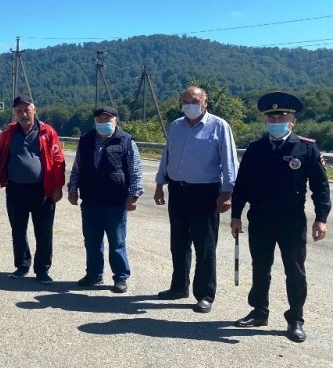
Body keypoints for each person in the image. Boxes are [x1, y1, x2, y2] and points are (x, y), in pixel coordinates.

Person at [230, 91, 330, 343]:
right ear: (266, 121)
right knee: (260, 267)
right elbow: (242, 184)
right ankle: (259, 311)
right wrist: (236, 215)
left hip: (291, 220)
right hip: (261, 218)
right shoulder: (255, 148)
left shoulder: (306, 147)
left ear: (292, 120)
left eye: (282, 116)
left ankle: (295, 319)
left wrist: (321, 218)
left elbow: (320, 186)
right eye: (272, 117)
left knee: (295, 271)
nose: (276, 121)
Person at [154, 86, 238, 313]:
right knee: (178, 243)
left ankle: (205, 294)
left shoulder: (219, 126)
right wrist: (160, 184)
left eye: (194, 100)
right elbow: (166, 155)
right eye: (184, 101)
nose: (189, 105)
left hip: (206, 193)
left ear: (205, 102)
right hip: (178, 191)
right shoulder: (175, 126)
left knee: (205, 246)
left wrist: (227, 193)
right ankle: (179, 287)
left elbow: (229, 161)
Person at [67, 106, 143, 293]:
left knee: (116, 242)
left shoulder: (125, 141)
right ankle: (94, 274)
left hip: (115, 202)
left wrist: (133, 195)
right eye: (99, 119)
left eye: (107, 119)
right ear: (94, 121)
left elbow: (135, 170)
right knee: (91, 241)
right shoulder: (86, 140)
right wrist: (72, 189)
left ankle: (120, 277)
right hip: (90, 201)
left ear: (116, 121)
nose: (103, 122)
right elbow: (77, 167)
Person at [0, 96, 65, 284]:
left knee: (43, 231)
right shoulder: (8, 133)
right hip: (15, 189)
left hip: (42, 189)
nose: (23, 114)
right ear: (14, 112)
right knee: (18, 230)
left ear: (34, 110)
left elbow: (58, 161)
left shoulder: (47, 132)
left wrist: (58, 187)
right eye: (19, 110)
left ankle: (42, 270)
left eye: (27, 109)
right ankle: (22, 265)